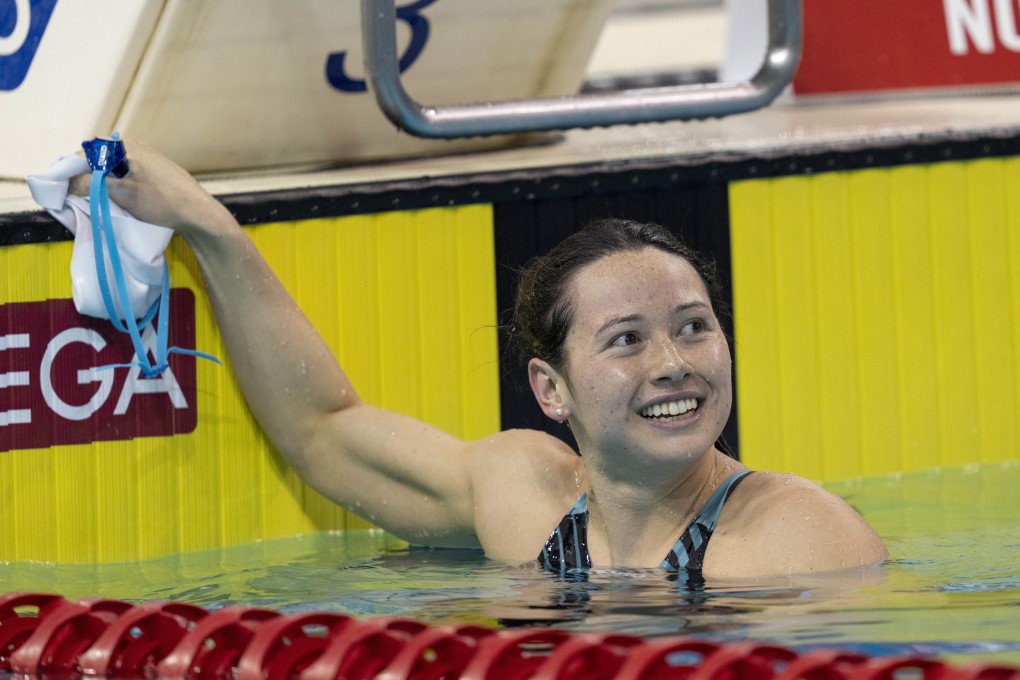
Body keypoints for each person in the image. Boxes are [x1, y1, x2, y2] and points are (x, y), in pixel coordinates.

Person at [86, 141, 887, 577]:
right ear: (551, 388)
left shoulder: (793, 544)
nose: (675, 363)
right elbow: (323, 432)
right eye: (626, 340)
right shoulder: (526, 502)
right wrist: (208, 228)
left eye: (694, 327)